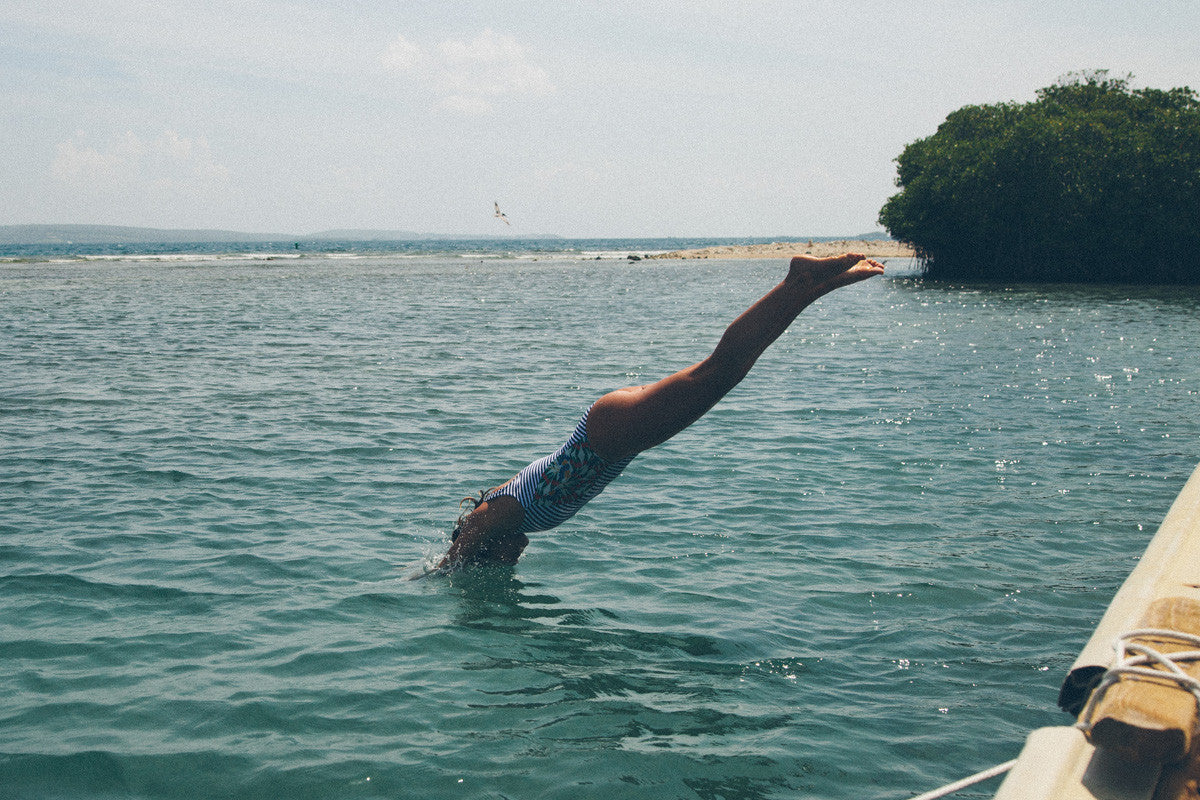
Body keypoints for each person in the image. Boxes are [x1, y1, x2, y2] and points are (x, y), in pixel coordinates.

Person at [433, 253, 885, 572]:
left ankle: (798, 283)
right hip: (612, 436)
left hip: (606, 437)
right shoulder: (513, 521)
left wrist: (425, 583)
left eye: (500, 559)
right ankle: (815, 287)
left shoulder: (489, 519)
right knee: (724, 375)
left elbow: (451, 560)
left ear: (480, 545)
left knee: (718, 373)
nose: (513, 559)